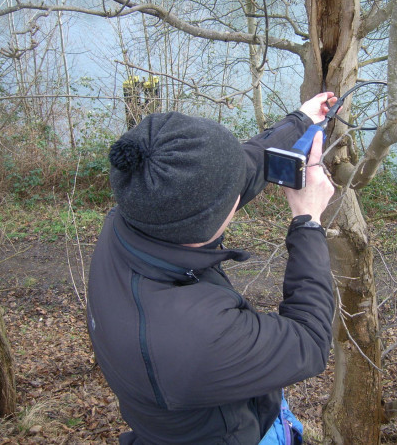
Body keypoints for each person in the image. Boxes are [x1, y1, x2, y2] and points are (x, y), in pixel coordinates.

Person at [87, 93, 337, 445]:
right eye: (235, 196)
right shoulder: (196, 336)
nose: (242, 191)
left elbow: (237, 168)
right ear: (206, 220)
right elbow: (309, 343)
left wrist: (301, 120)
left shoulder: (133, 216)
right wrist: (307, 223)